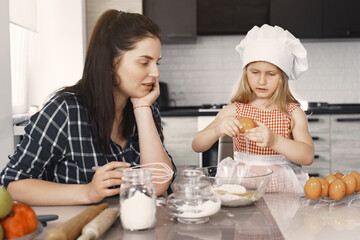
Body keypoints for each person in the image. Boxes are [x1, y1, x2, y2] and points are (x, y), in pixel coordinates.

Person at [0, 10, 176, 205]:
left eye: (157, 62)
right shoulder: (64, 110)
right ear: (111, 63)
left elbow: (160, 184)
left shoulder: (145, 106)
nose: (156, 73)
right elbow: (12, 183)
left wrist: (143, 108)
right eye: (144, 62)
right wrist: (87, 192)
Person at [192, 24, 314, 193]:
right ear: (245, 73)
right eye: (255, 72)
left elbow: (307, 156)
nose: (262, 81)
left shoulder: (293, 112)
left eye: (271, 74)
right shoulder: (234, 110)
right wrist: (218, 130)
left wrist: (275, 141)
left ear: (283, 77)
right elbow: (197, 145)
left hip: (282, 189)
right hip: (242, 185)